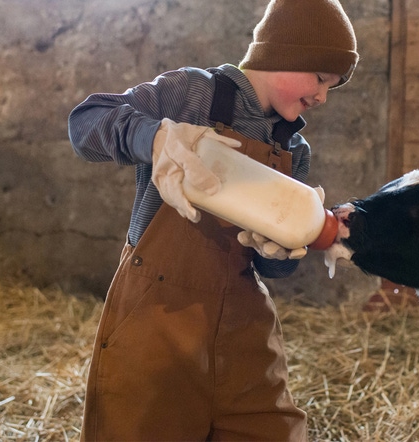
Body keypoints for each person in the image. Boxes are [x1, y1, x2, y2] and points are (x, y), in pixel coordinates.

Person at [67, 0, 358, 439]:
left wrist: (280, 250)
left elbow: (273, 270)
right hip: (158, 316)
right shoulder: (192, 93)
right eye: (320, 77)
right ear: (282, 53)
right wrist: (155, 136)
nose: (321, 96)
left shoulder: (294, 149)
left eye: (331, 87)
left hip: (242, 323)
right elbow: (85, 124)